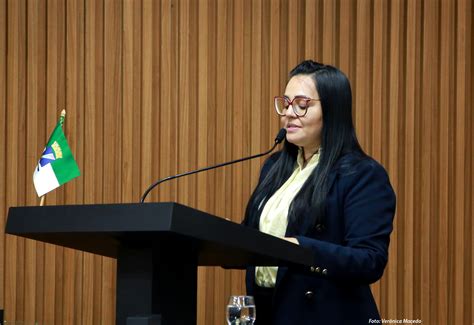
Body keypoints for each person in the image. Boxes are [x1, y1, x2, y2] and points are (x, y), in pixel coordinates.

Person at [242, 60, 396, 325]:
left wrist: (299, 249)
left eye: (302, 105)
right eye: (286, 103)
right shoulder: (274, 168)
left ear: (333, 111)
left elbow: (369, 260)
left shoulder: (361, 173)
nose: (289, 113)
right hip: (268, 312)